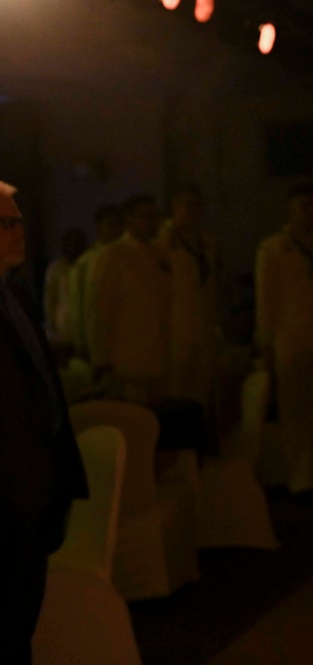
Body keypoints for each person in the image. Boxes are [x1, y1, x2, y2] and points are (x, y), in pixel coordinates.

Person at [1, 180, 89, 664]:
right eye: (7, 223)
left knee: (20, 624)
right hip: (8, 495)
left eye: (19, 221)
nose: (20, 232)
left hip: (33, 490)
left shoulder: (16, 294)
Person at [253, 183, 313, 494]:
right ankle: (299, 479)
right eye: (301, 205)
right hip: (290, 339)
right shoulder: (273, 248)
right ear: (291, 210)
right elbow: (266, 298)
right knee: (294, 411)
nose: (307, 210)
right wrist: (265, 342)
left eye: (310, 204)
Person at [86, 193, 172, 408]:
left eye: (155, 216)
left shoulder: (159, 255)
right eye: (145, 216)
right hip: (125, 359)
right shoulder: (112, 255)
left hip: (158, 355)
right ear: (129, 220)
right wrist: (101, 357)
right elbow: (99, 309)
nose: (152, 222)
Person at [156, 182, 219, 412]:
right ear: (175, 207)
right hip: (175, 328)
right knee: (177, 390)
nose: (195, 211)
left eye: (199, 205)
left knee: (201, 392)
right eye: (189, 205)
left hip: (203, 327)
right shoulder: (162, 240)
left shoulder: (206, 241)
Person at [66, 204, 124, 360]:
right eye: (111, 224)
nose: (117, 230)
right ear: (99, 227)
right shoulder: (86, 263)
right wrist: (81, 343)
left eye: (120, 224)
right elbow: (78, 307)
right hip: (98, 338)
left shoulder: (128, 258)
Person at [42, 226, 87, 355]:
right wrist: (51, 323)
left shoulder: (87, 265)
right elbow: (50, 297)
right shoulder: (56, 268)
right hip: (63, 325)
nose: (74, 246)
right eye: (71, 243)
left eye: (77, 243)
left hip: (84, 324)